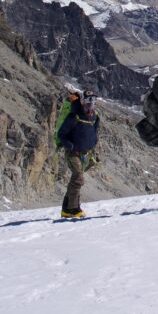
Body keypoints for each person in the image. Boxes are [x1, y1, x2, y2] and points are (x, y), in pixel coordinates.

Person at [57, 90, 100, 218]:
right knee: (78, 177)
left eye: (93, 100)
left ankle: (66, 209)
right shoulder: (74, 116)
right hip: (73, 153)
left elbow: (95, 131)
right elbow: (61, 134)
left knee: (76, 180)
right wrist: (68, 144)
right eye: (88, 100)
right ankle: (74, 209)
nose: (91, 104)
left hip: (85, 153)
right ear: (83, 101)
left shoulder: (95, 117)